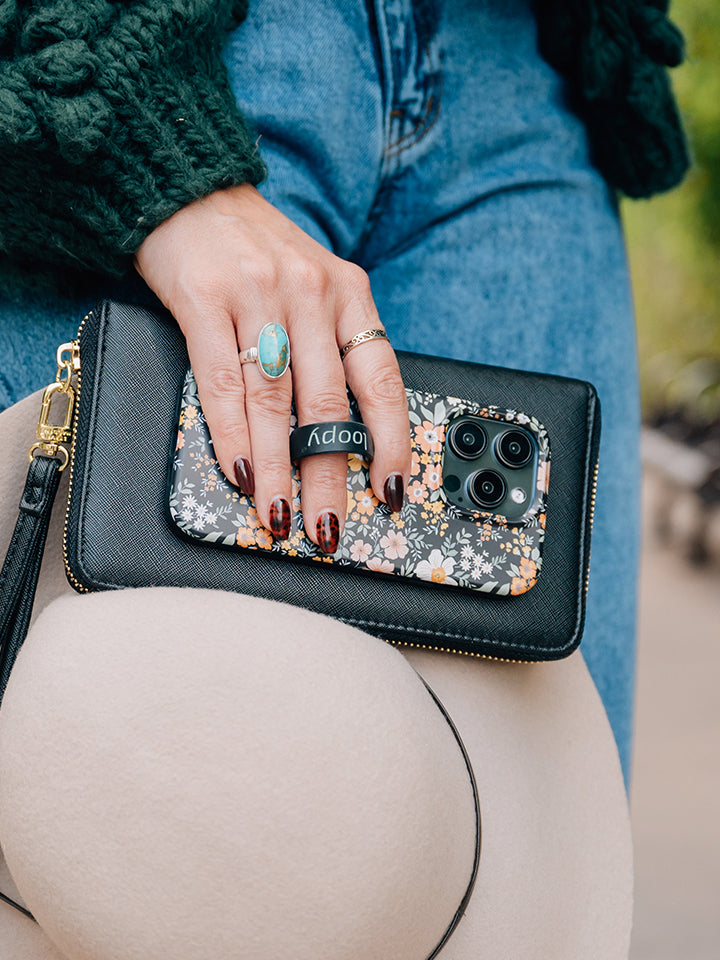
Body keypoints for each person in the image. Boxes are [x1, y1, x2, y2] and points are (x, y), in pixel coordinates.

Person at [0, 2, 687, 948]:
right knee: (145, 817)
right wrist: (136, 126)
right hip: (150, 45)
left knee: (506, 861)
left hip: (526, 81)